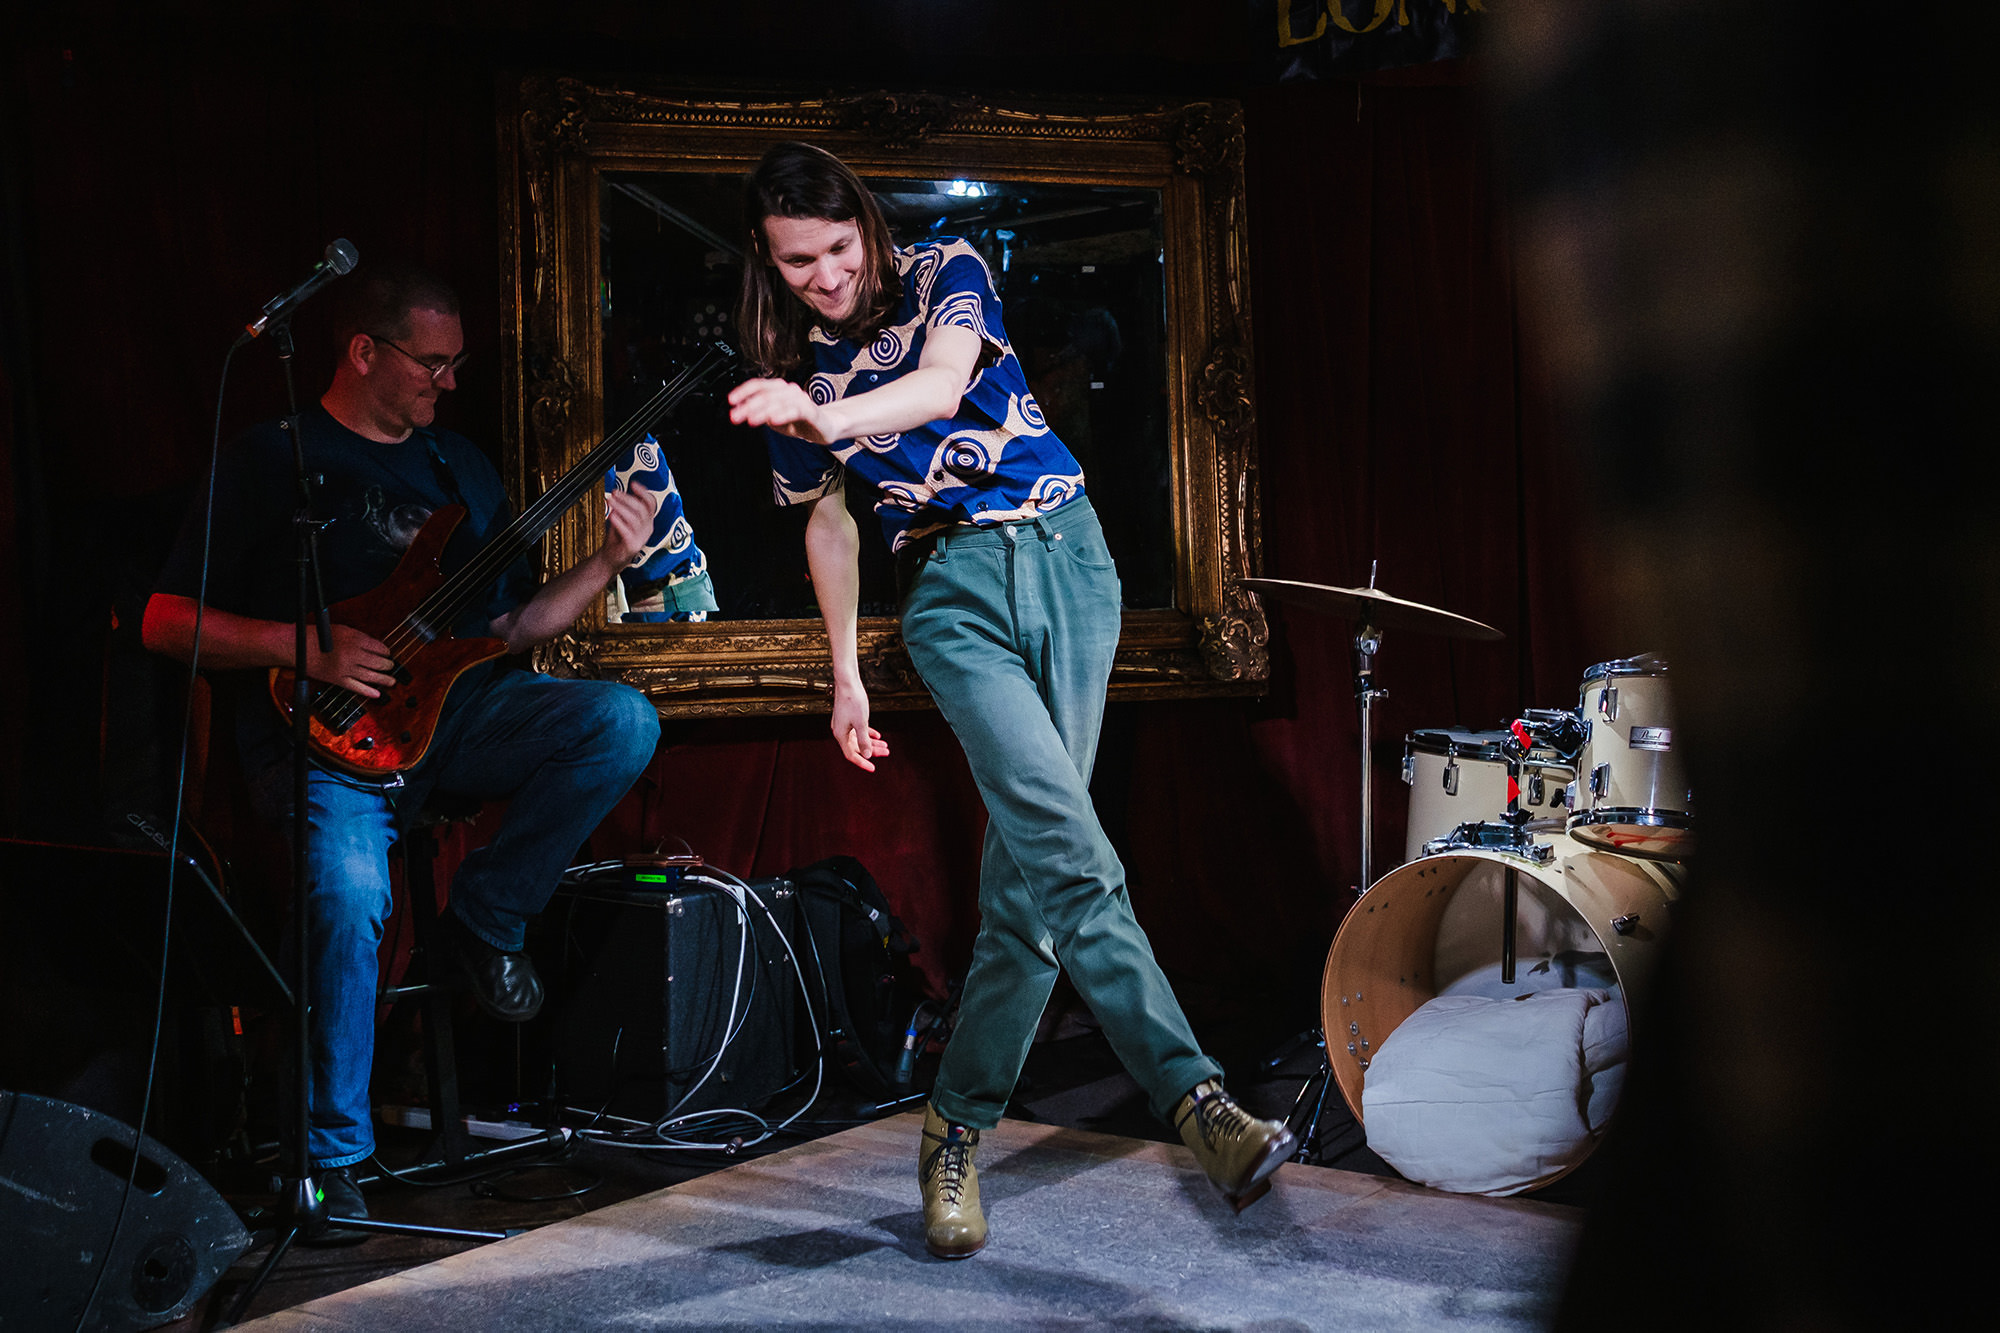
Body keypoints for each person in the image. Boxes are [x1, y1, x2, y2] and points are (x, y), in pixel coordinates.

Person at [727, 142, 1293, 1260]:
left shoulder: (947, 269)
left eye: (838, 249)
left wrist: (821, 417)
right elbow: (829, 522)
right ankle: (1200, 1107)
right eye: (798, 262)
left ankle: (950, 1129)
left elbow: (939, 388)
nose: (826, 277)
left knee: (1033, 889)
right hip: (949, 595)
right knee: (1069, 855)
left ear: (866, 229)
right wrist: (843, 672)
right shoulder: (793, 358)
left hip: (1069, 561)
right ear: (766, 254)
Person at [144, 262, 661, 1241]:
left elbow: (510, 627)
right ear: (363, 352)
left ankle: (484, 920)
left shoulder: (456, 468)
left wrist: (603, 563)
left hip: (452, 718)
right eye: (432, 362)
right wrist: (306, 644)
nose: (448, 382)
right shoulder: (273, 461)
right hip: (322, 736)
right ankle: (331, 1159)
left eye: (454, 363)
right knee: (348, 895)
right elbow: (165, 620)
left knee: (619, 720)